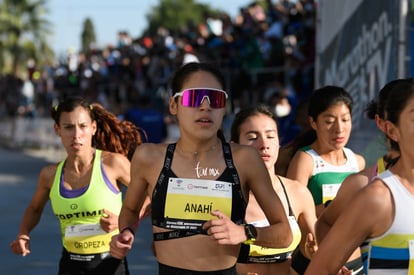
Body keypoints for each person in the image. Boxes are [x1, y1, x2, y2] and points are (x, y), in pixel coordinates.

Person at [109, 62, 293, 274]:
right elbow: (131, 210)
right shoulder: (149, 157)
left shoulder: (245, 159)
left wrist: (245, 232)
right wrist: (126, 231)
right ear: (173, 105)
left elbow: (284, 233)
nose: (205, 106)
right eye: (194, 98)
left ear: (224, 108)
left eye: (215, 99)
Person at [9, 96, 144, 274]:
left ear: (93, 128)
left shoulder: (113, 164)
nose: (76, 135)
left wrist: (125, 223)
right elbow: (34, 208)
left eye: (83, 126)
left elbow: (149, 194)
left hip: (110, 266)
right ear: (57, 130)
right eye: (68, 127)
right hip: (70, 266)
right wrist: (23, 233)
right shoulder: (49, 175)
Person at [305, 78, 414, 275]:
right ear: (388, 128)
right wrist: (337, 264)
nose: (339, 127)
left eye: (345, 119)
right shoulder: (371, 192)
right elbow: (325, 225)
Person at [286, 85, 365, 273]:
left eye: (345, 119)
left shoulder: (358, 162)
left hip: (356, 262)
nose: (339, 129)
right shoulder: (305, 160)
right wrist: (325, 210)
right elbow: (292, 211)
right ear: (313, 123)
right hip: (317, 260)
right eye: (329, 121)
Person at [230, 104, 317, 275]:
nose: (264, 145)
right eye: (252, 137)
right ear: (234, 146)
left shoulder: (297, 192)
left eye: (271, 136)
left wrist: (314, 252)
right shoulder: (224, 197)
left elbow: (313, 246)